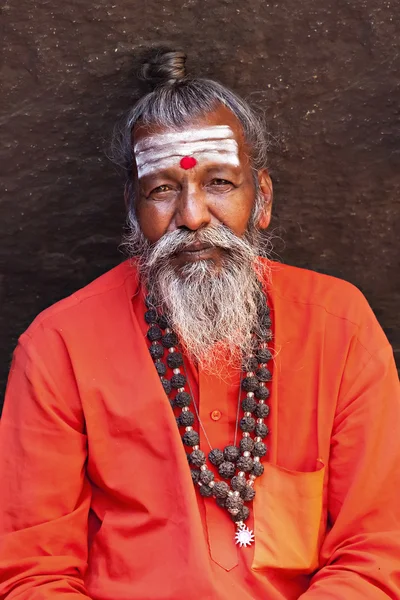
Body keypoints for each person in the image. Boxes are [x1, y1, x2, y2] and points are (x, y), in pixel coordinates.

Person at [0, 48, 399, 600]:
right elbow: (32, 574)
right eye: (163, 189)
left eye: (219, 184)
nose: (191, 216)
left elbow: (377, 551)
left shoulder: (340, 325)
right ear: (132, 210)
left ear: (261, 200)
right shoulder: (58, 346)